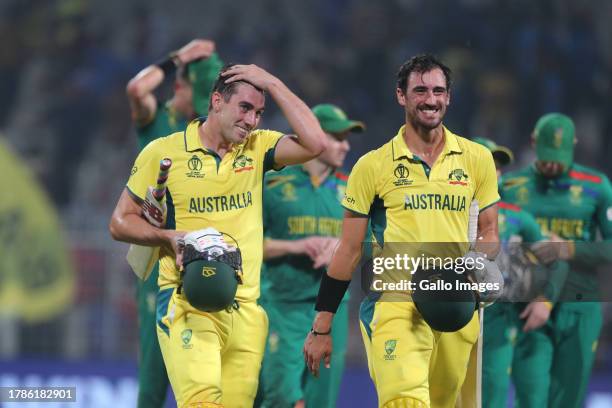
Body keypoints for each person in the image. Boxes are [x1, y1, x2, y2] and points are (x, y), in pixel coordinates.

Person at [110, 63, 326, 407]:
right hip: (188, 301)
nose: (252, 120)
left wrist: (272, 81)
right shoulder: (163, 151)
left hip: (246, 311)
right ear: (216, 101)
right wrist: (168, 237)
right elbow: (120, 223)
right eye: (245, 108)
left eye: (258, 112)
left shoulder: (258, 148)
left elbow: (316, 143)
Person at [303, 54, 500, 408]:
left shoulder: (476, 159)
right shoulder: (372, 166)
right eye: (420, 90)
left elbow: (490, 235)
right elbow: (348, 250)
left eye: (439, 91)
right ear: (401, 96)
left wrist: (473, 264)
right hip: (396, 305)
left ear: (449, 97)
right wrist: (322, 324)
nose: (431, 99)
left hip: (454, 304)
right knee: (405, 402)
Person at [125, 38, 222, 408]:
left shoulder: (215, 132)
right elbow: (136, 88)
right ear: (180, 87)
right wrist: (179, 58)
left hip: (205, 253)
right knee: (154, 372)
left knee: (207, 367)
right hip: (160, 254)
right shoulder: (160, 119)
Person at [500, 113, 612, 408]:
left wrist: (570, 250)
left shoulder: (596, 186)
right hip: (530, 307)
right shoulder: (510, 186)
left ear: (574, 145)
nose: (553, 165)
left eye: (559, 157)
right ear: (534, 143)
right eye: (547, 156)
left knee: (568, 401)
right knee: (531, 398)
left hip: (580, 308)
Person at [258, 104, 364, 408]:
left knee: (321, 401)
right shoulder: (273, 184)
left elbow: (372, 243)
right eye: (337, 137)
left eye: (347, 139)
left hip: (333, 309)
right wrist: (297, 246)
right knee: (280, 397)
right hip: (282, 305)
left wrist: (341, 245)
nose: (345, 146)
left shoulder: (353, 190)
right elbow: (247, 243)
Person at [473, 137, 568, 407]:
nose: (496, 172)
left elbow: (558, 260)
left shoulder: (516, 218)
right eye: (487, 164)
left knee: (489, 397)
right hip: (449, 315)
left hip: (496, 321)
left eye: (499, 166)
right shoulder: (443, 212)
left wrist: (545, 301)